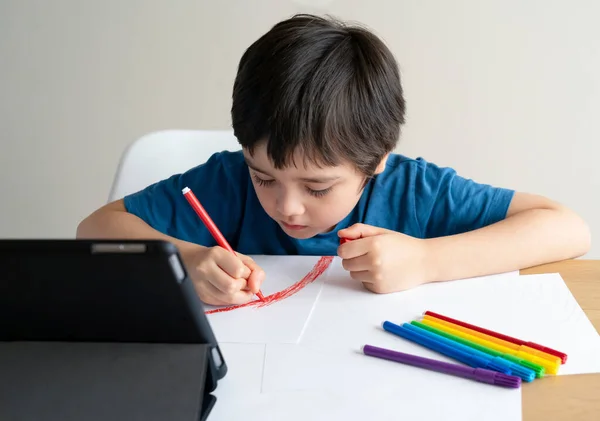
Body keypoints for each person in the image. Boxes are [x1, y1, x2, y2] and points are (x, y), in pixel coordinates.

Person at [77, 14, 591, 306]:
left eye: (317, 187)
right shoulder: (226, 182)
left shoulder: (414, 192)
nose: (287, 206)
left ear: (377, 160)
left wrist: (428, 261)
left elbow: (566, 229)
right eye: (264, 177)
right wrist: (186, 260)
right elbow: (96, 228)